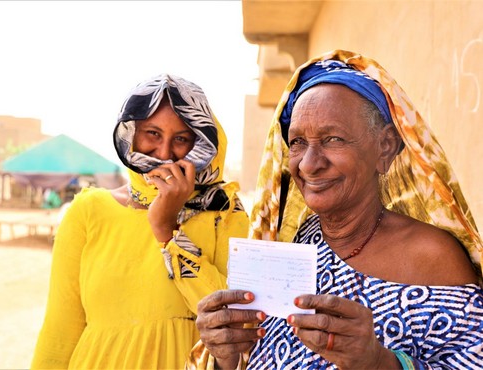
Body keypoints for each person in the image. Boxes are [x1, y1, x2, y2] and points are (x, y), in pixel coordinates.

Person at [187, 50, 483, 369]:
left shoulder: (432, 258)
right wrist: (225, 358)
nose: (310, 164)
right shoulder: (293, 247)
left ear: (385, 147)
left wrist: (379, 362)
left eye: (333, 139)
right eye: (298, 142)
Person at [30, 74, 250, 369]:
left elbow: (230, 323)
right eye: (152, 134)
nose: (164, 154)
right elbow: (60, 330)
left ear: (202, 143)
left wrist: (167, 231)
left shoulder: (224, 212)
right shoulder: (88, 211)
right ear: (130, 134)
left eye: (182, 139)